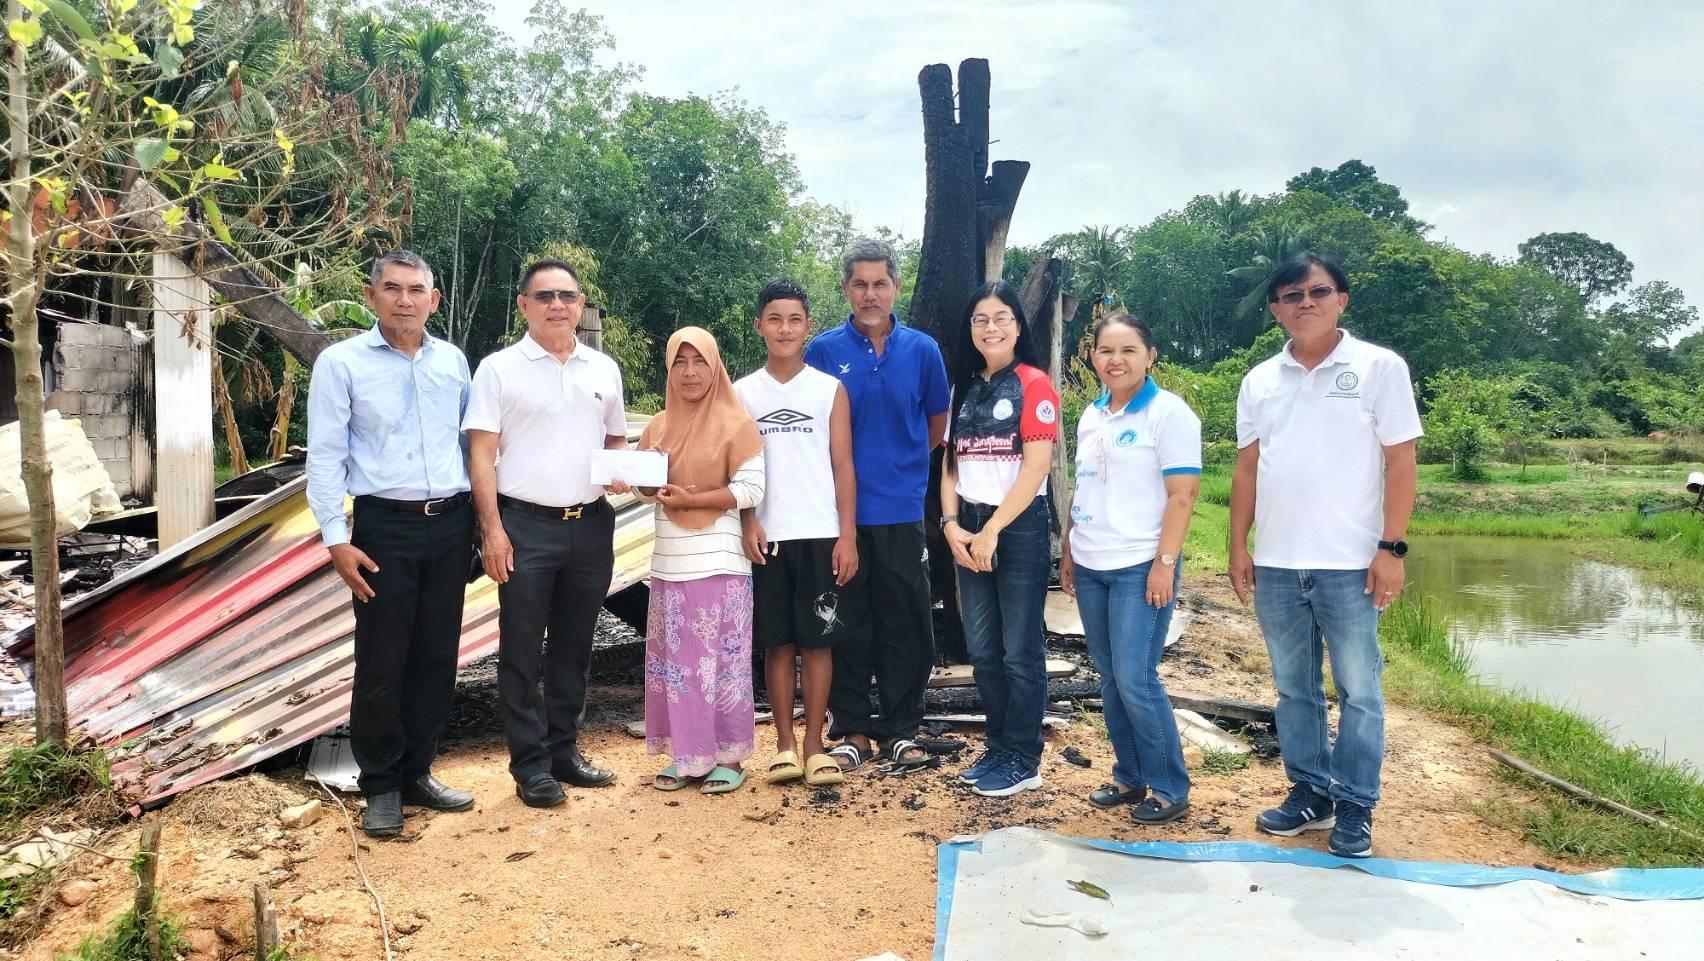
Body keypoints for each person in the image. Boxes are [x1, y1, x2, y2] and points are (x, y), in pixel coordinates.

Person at [1229, 252, 1421, 858]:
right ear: (1275, 309)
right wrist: (1238, 545)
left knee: (1359, 690)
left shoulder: (1378, 368)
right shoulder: (1260, 380)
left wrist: (1391, 548)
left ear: (1342, 298)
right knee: (1294, 689)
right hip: (1279, 563)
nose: (1305, 303)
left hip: (1351, 564)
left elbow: (1401, 461)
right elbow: (1248, 468)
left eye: (1318, 291)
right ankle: (1311, 792)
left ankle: (1356, 805)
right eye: (1291, 295)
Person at [306, 250, 476, 838]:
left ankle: (417, 772)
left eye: (416, 290)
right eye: (393, 288)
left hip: (451, 524)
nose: (405, 300)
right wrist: (336, 539)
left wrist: (482, 523)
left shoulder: (452, 361)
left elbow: (470, 445)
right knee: (382, 659)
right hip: (384, 527)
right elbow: (326, 456)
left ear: (434, 299)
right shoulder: (341, 363)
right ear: (371, 294)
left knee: (436, 655)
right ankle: (380, 785)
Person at [464, 258, 629, 809]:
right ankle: (530, 766)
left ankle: (564, 751)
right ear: (524, 305)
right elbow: (481, 456)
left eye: (567, 296)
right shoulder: (498, 370)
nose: (557, 305)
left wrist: (626, 472)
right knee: (520, 649)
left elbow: (615, 442)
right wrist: (492, 530)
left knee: (574, 646)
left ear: (581, 305)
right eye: (545, 296)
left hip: (591, 524)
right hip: (523, 527)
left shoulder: (603, 369)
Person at [805, 237, 951, 772]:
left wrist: (901, 468)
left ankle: (902, 729)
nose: (870, 294)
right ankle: (852, 731)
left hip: (903, 512)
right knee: (846, 623)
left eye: (880, 284)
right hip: (839, 516)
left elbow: (936, 424)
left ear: (896, 287)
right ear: (846, 288)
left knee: (906, 623)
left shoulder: (923, 351)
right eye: (860, 284)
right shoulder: (823, 352)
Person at [1060, 313, 1200, 825]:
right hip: (1092, 562)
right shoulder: (1092, 415)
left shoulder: (1169, 413)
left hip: (1140, 565)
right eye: (1106, 350)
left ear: (1149, 356)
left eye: (1128, 350)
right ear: (1092, 356)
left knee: (1136, 678)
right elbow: (1083, 486)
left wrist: (1164, 564)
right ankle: (1130, 774)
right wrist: (1069, 548)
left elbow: (1183, 496)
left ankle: (1169, 786)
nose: (1115, 360)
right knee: (1110, 676)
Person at [734, 281, 858, 788]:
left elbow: (843, 465)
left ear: (808, 326)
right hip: (769, 536)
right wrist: (748, 521)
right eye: (774, 319)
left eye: (794, 319)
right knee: (778, 644)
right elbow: (737, 464)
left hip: (820, 533)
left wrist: (847, 535)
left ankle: (815, 745)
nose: (784, 329)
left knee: (818, 644)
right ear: (759, 325)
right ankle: (784, 744)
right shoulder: (742, 392)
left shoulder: (829, 390)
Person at [938, 282, 1059, 797]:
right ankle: (999, 746)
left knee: (1020, 651)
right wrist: (951, 524)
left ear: (1017, 325)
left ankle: (1024, 757)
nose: (991, 328)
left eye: (1001, 317)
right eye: (980, 319)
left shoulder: (1034, 384)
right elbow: (950, 465)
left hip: (1018, 529)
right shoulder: (962, 388)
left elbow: (1036, 469)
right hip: (968, 525)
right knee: (984, 650)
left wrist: (992, 530)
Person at [637, 327, 766, 794]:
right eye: (680, 362)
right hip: (669, 562)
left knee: (721, 665)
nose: (689, 372)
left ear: (716, 368)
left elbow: (751, 489)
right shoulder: (658, 426)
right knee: (678, 665)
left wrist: (692, 500)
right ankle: (687, 755)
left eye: (699, 362)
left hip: (720, 562)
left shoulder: (736, 423)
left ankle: (729, 757)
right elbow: (644, 487)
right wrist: (644, 481)